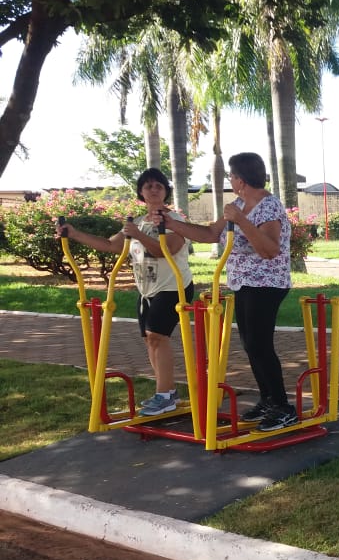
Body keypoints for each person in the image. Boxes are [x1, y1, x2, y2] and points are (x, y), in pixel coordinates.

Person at [174, 152, 296, 432]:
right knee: (250, 344)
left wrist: (242, 221)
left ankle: (282, 406)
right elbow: (209, 234)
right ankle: (268, 400)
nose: (230, 180)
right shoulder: (238, 205)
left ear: (240, 180)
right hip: (243, 283)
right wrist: (172, 224)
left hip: (267, 284)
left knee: (259, 344)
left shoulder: (269, 206)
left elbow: (270, 249)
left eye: (231, 176)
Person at [58, 168, 194, 416]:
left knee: (157, 336)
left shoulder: (174, 220)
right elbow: (110, 245)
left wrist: (138, 235)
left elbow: (165, 250)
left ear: (166, 191)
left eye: (159, 186)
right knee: (149, 340)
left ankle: (165, 396)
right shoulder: (138, 222)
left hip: (173, 286)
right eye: (148, 186)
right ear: (141, 192)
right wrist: (74, 233)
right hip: (147, 289)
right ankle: (167, 391)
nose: (154, 189)